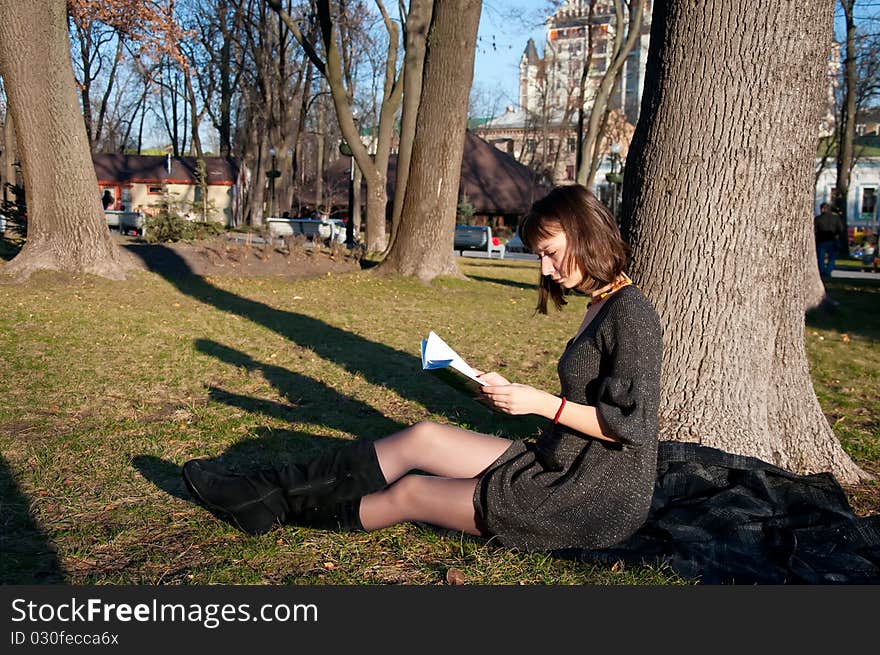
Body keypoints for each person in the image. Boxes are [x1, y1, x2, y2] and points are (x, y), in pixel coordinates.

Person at [182, 184, 663, 551]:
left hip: (592, 497)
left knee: (411, 492)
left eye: (550, 253)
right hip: (558, 462)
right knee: (424, 437)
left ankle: (271, 509)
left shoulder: (631, 311)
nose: (544, 269)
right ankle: (262, 490)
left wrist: (538, 402)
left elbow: (631, 427)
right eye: (539, 257)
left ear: (585, 235)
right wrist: (497, 391)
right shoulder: (598, 304)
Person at [814, 202, 846, 280]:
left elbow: (814, 230)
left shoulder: (818, 219)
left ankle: (822, 272)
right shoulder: (835, 218)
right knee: (832, 258)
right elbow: (841, 229)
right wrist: (837, 236)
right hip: (832, 240)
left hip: (821, 241)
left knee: (821, 258)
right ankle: (828, 271)